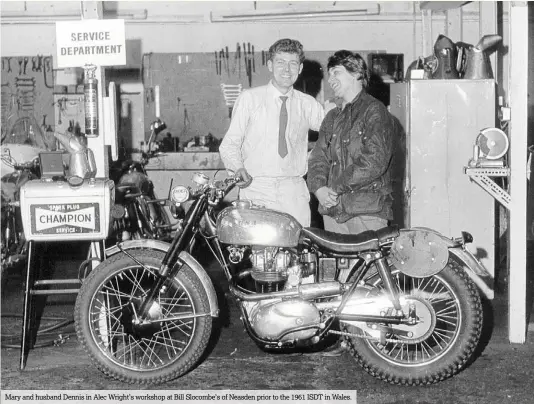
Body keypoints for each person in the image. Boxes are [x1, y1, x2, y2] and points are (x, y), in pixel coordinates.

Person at [219, 38, 325, 227]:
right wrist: (238, 168)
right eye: (280, 62)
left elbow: (332, 134)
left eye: (293, 64)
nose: (287, 69)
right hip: (257, 188)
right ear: (270, 65)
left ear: (300, 69)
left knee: (297, 250)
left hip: (294, 190)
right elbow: (229, 144)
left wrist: (312, 155)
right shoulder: (250, 99)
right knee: (260, 252)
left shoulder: (308, 104)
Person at [307, 50, 396, 235]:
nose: (330, 79)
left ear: (357, 73)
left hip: (366, 211)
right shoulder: (332, 116)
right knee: (339, 265)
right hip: (334, 212)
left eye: (336, 72)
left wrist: (333, 188)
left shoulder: (375, 111)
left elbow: (374, 161)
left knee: (368, 263)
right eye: (329, 74)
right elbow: (317, 158)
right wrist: (318, 189)